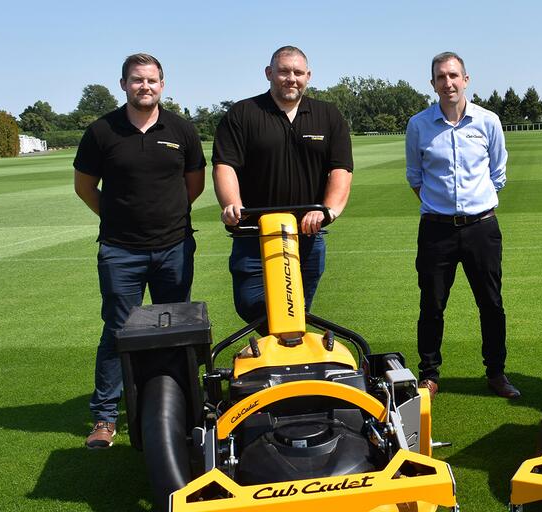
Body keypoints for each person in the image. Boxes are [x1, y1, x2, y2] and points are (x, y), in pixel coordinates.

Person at [73, 53, 206, 449]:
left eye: (151, 80)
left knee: (174, 330)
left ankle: (176, 408)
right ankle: (105, 417)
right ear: (123, 84)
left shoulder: (181, 129)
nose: (144, 86)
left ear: (162, 85)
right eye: (136, 80)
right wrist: (118, 219)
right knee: (116, 331)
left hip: (174, 248)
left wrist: (165, 220)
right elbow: (84, 188)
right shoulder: (101, 131)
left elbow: (193, 186)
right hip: (120, 252)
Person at [212, 46, 353, 327]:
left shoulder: (327, 115)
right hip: (254, 234)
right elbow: (225, 165)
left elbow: (341, 169)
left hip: (307, 234)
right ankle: (271, 359)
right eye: (284, 71)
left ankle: (287, 367)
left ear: (308, 76)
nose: (291, 78)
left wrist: (329, 211)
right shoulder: (243, 113)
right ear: (269, 73)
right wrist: (231, 203)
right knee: (252, 305)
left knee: (296, 313)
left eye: (298, 72)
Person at [405, 52, 518, 399]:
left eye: (454, 76)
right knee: (432, 304)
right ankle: (429, 374)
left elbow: (497, 174)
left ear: (466, 79)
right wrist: (442, 206)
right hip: (437, 230)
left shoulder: (488, 121)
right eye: (441, 77)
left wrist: (472, 205)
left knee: (491, 303)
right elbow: (415, 177)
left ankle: (496, 373)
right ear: (433, 83)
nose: (448, 83)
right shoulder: (419, 125)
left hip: (482, 227)